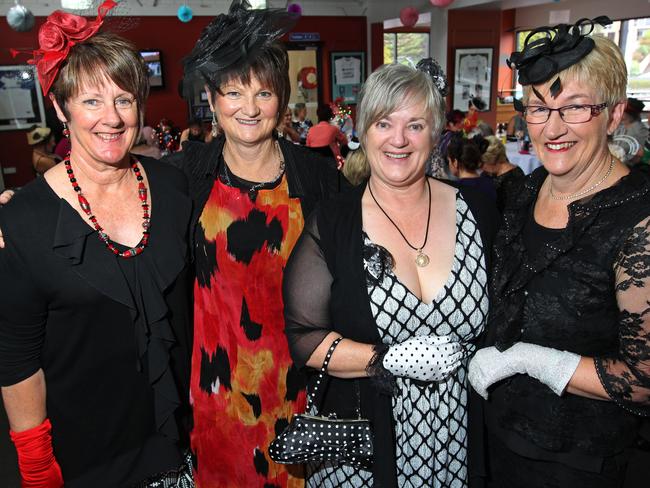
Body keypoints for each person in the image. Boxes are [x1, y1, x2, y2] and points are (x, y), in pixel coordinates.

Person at [0, 2, 193, 487]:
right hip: (90, 458)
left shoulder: (173, 188)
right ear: (62, 108)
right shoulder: (24, 219)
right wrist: (37, 465)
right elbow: (17, 357)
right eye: (91, 101)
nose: (111, 118)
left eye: (125, 99)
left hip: (183, 444)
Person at [283, 62, 498, 487]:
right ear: (363, 130)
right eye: (384, 123)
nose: (398, 140)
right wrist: (386, 359)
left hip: (461, 440)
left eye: (415, 125)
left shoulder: (479, 211)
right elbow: (303, 338)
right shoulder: (334, 221)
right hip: (363, 451)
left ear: (435, 131)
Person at [468, 17, 650, 487]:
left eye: (574, 108)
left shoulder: (639, 220)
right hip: (496, 441)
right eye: (538, 108)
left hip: (583, 465)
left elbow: (645, 378)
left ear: (613, 115)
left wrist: (533, 359)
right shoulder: (525, 191)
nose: (552, 129)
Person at [176, 1, 346, 486]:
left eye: (263, 93)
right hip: (217, 386)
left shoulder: (317, 176)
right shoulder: (186, 176)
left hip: (301, 384)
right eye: (233, 92)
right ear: (211, 99)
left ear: (283, 99)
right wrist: (24, 209)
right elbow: (122, 208)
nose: (248, 109)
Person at [481, 135, 525, 211]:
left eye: (482, 163)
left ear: (491, 160)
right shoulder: (490, 174)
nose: (480, 167)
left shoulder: (512, 179)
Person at [446, 132, 497, 200]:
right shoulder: (489, 183)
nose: (449, 164)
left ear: (455, 162)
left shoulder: (456, 191)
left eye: (449, 161)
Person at [613, 97, 648, 166]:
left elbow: (641, 153)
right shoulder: (620, 127)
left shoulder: (640, 130)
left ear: (629, 114)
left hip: (630, 166)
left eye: (621, 111)